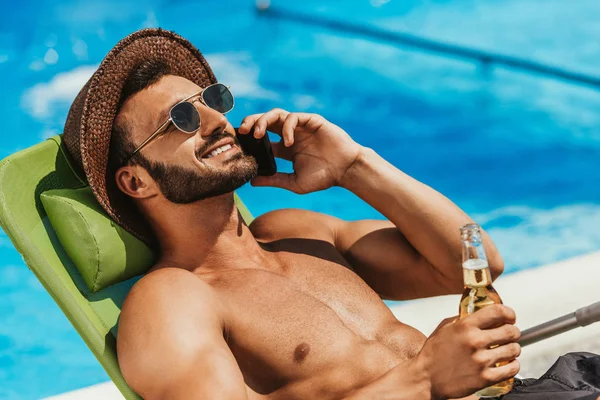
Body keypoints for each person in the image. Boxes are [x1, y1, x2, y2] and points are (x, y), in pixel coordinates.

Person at [62, 29, 599, 400]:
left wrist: (355, 166)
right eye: (180, 118)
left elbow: (473, 258)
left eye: (211, 100)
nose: (214, 121)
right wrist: (425, 379)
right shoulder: (173, 297)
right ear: (136, 180)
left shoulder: (295, 232)